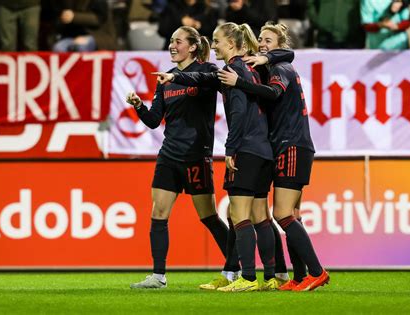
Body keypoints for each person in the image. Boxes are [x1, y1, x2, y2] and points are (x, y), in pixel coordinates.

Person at [154, 22, 294, 292]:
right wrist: (174, 78)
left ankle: (248, 278)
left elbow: (239, 113)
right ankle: (275, 275)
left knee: (238, 214)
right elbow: (203, 78)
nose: (213, 45)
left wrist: (231, 148)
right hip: (263, 149)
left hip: (247, 149)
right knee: (260, 217)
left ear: (231, 43)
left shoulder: (235, 70)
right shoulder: (250, 68)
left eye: (217, 41)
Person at [217, 22, 330, 291]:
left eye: (269, 39)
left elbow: (275, 91)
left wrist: (239, 82)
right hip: (287, 146)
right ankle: (301, 277)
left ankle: (316, 271)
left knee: (281, 213)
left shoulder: (281, 68)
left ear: (279, 44)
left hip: (291, 145)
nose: (263, 43)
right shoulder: (273, 65)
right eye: (260, 38)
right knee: (291, 214)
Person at [128, 26, 237, 289]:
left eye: (178, 41)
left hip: (196, 155)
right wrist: (139, 106)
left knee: (208, 216)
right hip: (169, 155)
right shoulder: (166, 79)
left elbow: (204, 80)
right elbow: (155, 121)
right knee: (158, 213)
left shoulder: (209, 71)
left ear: (193, 46)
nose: (172, 46)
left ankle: (234, 269)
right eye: (171, 41)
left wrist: (174, 79)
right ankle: (158, 276)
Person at [52, 0, 116, 52]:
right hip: (71, 37)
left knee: (80, 46)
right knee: (58, 48)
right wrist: (63, 18)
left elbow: (99, 19)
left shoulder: (98, 2)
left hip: (97, 36)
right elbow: (56, 19)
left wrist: (74, 17)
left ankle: (84, 67)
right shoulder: (64, 2)